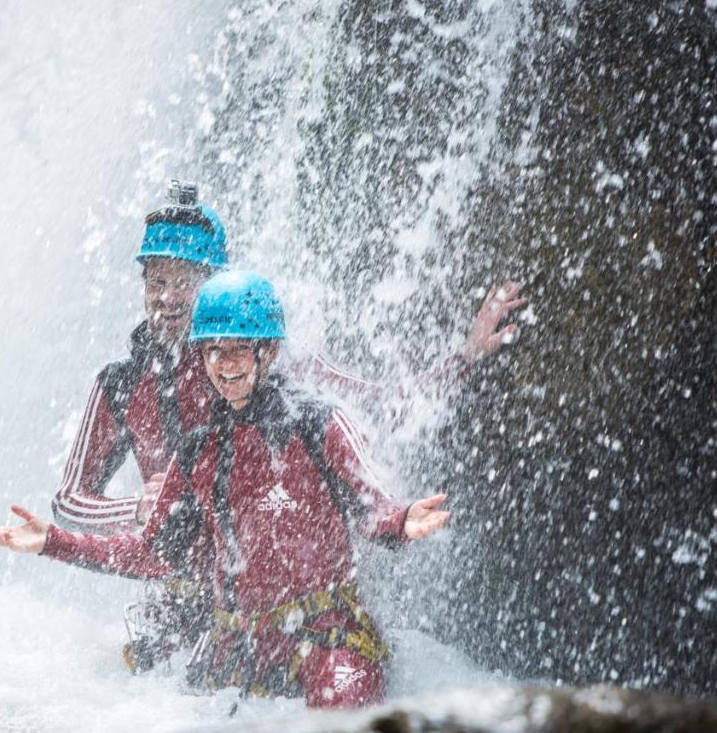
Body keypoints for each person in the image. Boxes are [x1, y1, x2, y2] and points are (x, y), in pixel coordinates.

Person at [50, 180, 525, 670]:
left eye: (185, 279)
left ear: (213, 282)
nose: (167, 297)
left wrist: (464, 357)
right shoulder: (122, 386)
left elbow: (380, 405)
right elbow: (68, 500)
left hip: (286, 604)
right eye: (156, 280)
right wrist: (138, 509)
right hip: (183, 601)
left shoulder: (273, 356)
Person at [0, 272, 450, 707]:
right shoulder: (196, 449)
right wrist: (52, 541)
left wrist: (401, 519)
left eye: (238, 349)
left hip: (324, 634)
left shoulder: (318, 422)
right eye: (212, 350)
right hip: (238, 646)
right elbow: (155, 554)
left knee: (342, 710)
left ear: (267, 351)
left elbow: (372, 506)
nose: (224, 364)